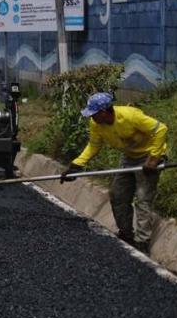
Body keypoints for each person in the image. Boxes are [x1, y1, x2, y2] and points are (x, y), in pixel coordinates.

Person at [61, 92, 168, 253]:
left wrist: (153, 158)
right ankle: (126, 234)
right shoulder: (96, 123)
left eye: (94, 114)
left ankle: (142, 242)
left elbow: (161, 129)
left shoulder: (130, 116)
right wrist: (76, 165)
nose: (92, 117)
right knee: (117, 194)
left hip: (148, 158)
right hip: (129, 157)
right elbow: (93, 145)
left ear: (104, 112)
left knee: (142, 198)